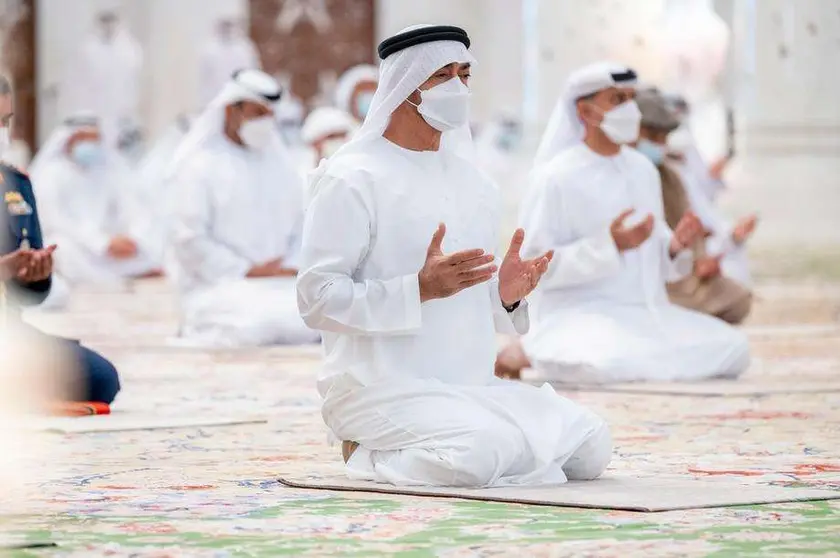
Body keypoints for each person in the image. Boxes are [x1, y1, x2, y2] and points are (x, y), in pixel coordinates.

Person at [297, 25, 612, 487]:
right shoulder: (352, 177)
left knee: (589, 444)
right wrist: (418, 289)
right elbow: (316, 299)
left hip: (467, 387)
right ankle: (364, 453)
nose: (458, 87)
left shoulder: (475, 185)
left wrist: (505, 296)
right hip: (378, 387)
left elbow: (468, 299)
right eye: (441, 75)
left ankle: (476, 440)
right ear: (405, 88)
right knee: (478, 454)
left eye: (464, 74)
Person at [496, 62, 750, 384]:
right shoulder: (555, 177)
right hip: (581, 314)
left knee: (733, 348)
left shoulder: (641, 170)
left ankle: (540, 353)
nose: (630, 109)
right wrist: (610, 245)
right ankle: (527, 349)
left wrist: (674, 247)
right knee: (607, 362)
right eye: (617, 100)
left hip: (645, 314)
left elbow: (654, 249)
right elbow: (534, 267)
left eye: (631, 98)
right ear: (586, 112)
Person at [166, 69, 319, 347]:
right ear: (230, 111)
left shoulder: (280, 165)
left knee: (327, 311)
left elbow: (302, 225)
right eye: (257, 112)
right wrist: (247, 269)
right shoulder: (199, 166)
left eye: (269, 114)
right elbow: (188, 240)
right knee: (259, 321)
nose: (265, 122)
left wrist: (289, 265)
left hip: (280, 283)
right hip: (220, 285)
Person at [0, 75, 120, 404]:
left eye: (5, 121)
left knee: (100, 379)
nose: (2, 132)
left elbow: (28, 298)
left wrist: (35, 275)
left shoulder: (16, 184)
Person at [634, 88, 752, 324]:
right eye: (652, 136)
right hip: (639, 282)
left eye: (663, 137)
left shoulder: (671, 177)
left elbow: (690, 228)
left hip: (679, 276)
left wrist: (700, 261)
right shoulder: (620, 175)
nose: (660, 144)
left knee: (737, 298)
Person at [28, 115, 160, 288]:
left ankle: (119, 272)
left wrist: (132, 239)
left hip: (111, 244)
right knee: (62, 249)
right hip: (77, 243)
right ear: (69, 139)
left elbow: (132, 209)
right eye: (83, 139)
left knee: (153, 244)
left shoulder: (106, 172)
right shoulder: (51, 174)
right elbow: (57, 221)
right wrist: (102, 243)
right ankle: (116, 277)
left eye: (94, 139)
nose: (89, 145)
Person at [59, 11, 143, 150]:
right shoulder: (86, 49)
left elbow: (133, 90)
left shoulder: (131, 50)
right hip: (90, 124)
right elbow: (74, 90)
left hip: (122, 125)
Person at [198, 18, 261, 107]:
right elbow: (204, 80)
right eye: (225, 25)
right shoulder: (209, 50)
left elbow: (255, 73)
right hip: (216, 103)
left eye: (229, 25)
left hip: (241, 101)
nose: (227, 30)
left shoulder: (245, 48)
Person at [299, 106, 357, 172]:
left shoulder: (354, 171)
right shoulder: (300, 175)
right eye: (332, 137)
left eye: (342, 136)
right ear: (314, 143)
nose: (338, 141)